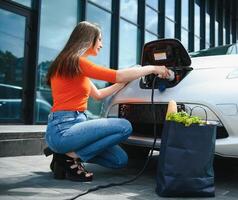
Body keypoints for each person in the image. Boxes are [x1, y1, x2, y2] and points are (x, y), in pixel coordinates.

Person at [44, 21, 170, 182]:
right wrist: (153, 68)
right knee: (125, 126)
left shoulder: (71, 66)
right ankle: (68, 156)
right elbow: (118, 75)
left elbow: (98, 94)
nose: (102, 45)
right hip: (63, 128)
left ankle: (65, 155)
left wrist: (122, 84)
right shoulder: (76, 62)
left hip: (72, 127)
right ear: (89, 40)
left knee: (119, 160)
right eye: (100, 40)